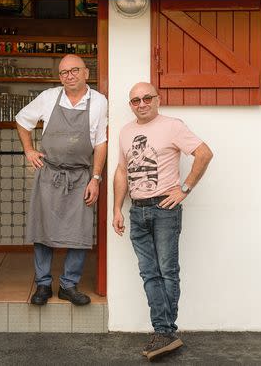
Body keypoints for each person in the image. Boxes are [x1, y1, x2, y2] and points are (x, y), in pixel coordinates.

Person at [113, 82, 213, 360]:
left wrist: (185, 188)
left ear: (158, 99)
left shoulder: (172, 126)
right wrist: (117, 209)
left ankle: (163, 331)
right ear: (130, 105)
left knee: (167, 271)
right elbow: (122, 171)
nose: (141, 103)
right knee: (149, 273)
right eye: (135, 100)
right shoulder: (125, 131)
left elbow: (204, 153)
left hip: (164, 208)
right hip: (137, 209)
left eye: (147, 98)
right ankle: (165, 332)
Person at [16, 54, 108, 306]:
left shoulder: (99, 102)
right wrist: (29, 150)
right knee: (42, 230)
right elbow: (22, 120)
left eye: (74, 70)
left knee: (79, 231)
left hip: (81, 176)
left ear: (86, 73)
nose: (69, 76)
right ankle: (43, 284)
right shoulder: (49, 97)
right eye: (64, 72)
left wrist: (96, 178)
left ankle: (69, 285)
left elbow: (101, 142)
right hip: (49, 174)